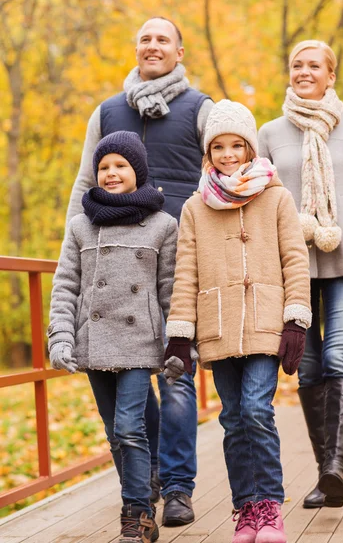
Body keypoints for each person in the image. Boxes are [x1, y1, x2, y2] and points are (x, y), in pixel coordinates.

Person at [65, 16, 214, 525]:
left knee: (175, 376)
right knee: (133, 384)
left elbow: (219, 173)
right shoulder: (107, 111)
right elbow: (86, 182)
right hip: (115, 254)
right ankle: (145, 473)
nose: (153, 46)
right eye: (145, 38)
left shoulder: (200, 107)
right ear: (137, 49)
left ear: (179, 50)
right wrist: (76, 243)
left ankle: (176, 487)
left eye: (162, 39)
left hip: (179, 255)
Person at [164, 100, 312, 543]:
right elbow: (185, 272)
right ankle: (246, 510)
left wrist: (296, 321)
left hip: (267, 322)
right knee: (232, 418)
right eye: (219, 147)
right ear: (208, 153)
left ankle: (269, 506)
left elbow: (295, 260)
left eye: (237, 146)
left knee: (255, 410)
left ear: (250, 149)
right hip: (218, 326)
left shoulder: (277, 197)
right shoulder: (194, 207)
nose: (229, 154)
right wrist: (179, 336)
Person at [258, 40, 343, 509]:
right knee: (307, 366)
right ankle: (324, 474)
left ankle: (336, 466)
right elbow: (258, 202)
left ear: (330, 75)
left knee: (337, 357)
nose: (305, 71)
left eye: (315, 65)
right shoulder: (270, 132)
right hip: (291, 264)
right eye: (297, 64)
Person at [48, 131, 178, 543]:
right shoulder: (81, 226)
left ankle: (137, 515)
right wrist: (60, 338)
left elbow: (170, 289)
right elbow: (65, 286)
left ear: (137, 171)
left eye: (120, 165)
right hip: (94, 342)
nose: (111, 173)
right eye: (104, 167)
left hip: (140, 343)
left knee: (128, 428)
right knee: (113, 432)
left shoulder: (163, 225)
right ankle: (142, 493)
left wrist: (179, 343)